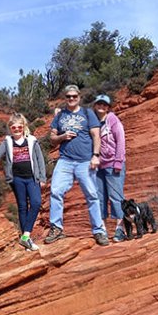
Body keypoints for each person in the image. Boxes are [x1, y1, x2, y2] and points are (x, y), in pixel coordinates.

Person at [45, 85, 109, 246]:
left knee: (92, 195)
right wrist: (62, 136)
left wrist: (95, 156)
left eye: (74, 96)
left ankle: (99, 231)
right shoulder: (60, 116)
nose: (71, 99)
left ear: (79, 97)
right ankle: (57, 228)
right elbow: (52, 138)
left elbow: (96, 135)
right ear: (65, 98)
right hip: (65, 160)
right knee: (56, 192)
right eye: (68, 96)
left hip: (85, 161)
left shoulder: (88, 113)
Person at [0, 113, 47, 251]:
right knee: (22, 207)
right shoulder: (7, 142)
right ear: (10, 128)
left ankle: (25, 236)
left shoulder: (32, 140)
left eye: (19, 127)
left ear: (24, 127)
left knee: (36, 202)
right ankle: (27, 239)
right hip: (17, 179)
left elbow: (40, 160)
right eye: (14, 127)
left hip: (32, 178)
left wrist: (42, 178)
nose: (17, 130)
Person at [93, 94, 127, 243]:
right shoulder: (93, 122)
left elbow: (121, 140)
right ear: (95, 105)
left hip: (113, 164)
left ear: (108, 107)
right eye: (99, 104)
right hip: (98, 166)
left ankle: (120, 230)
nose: (102, 106)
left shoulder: (112, 119)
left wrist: (118, 162)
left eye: (104, 104)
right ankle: (103, 231)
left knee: (116, 198)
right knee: (100, 199)